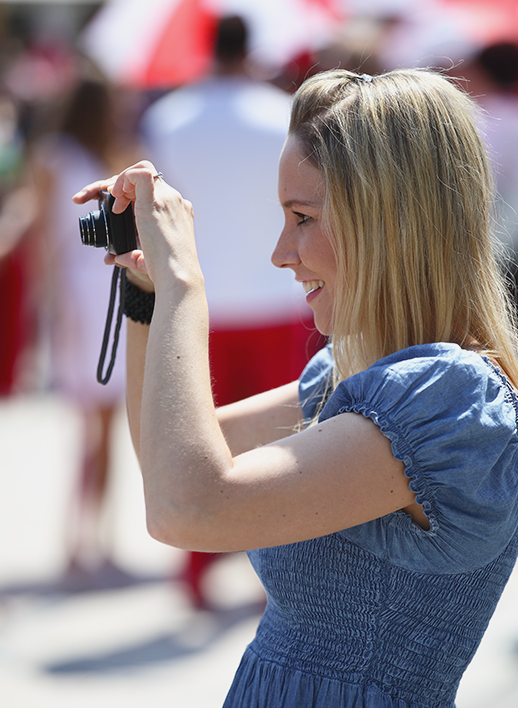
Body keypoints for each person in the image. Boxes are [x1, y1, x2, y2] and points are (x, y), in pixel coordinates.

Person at [74, 68, 518, 708]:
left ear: (389, 221)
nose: (281, 252)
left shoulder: (452, 400)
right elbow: (172, 466)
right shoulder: (356, 371)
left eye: (302, 219)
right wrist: (147, 295)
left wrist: (189, 287)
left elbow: (192, 505)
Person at [140, 15, 320, 608]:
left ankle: (195, 568)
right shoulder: (282, 113)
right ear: (252, 50)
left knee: (195, 433)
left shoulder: (168, 116)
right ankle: (277, 570)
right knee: (281, 444)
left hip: (203, 296)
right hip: (276, 293)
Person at [31, 76, 141, 584]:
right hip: (82, 296)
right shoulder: (58, 157)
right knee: (91, 430)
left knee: (106, 427)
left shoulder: (112, 154)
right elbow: (47, 240)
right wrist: (53, 307)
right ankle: (78, 542)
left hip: (105, 288)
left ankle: (98, 541)